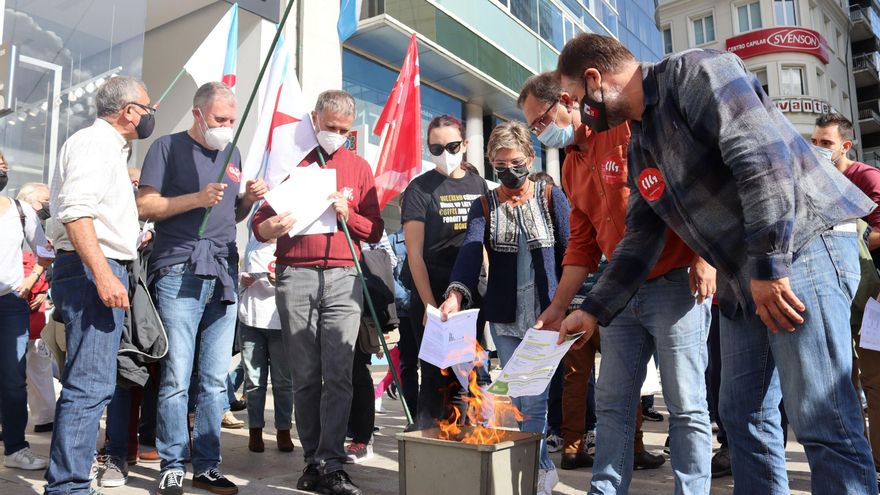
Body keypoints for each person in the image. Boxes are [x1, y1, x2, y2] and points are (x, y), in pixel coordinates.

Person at [555, 33, 877, 494]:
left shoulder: (698, 71)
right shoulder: (642, 144)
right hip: (744, 272)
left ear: (594, 79)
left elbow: (763, 161)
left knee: (822, 418)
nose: (578, 113)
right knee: (742, 417)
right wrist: (593, 308)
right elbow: (639, 239)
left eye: (574, 99)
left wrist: (768, 266)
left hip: (799, 248)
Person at [519, 72, 669, 476]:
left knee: (686, 404)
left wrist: (704, 261)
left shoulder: (622, 132)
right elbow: (582, 245)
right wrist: (557, 306)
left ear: (567, 101)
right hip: (614, 292)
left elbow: (674, 192)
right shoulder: (569, 167)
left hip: (671, 279)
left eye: (540, 121)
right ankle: (604, 480)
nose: (539, 132)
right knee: (613, 399)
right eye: (533, 127)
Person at [137, 81, 266, 495]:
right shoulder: (166, 147)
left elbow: (233, 214)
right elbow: (145, 205)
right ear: (197, 114)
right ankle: (173, 462)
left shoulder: (233, 153)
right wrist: (195, 198)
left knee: (214, 380)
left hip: (224, 270)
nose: (227, 127)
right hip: (179, 269)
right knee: (177, 376)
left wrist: (247, 199)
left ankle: (207, 464)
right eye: (219, 120)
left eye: (232, 120)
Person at [252, 89, 383, 495]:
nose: (337, 135)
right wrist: (268, 229)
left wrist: (352, 217)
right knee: (305, 375)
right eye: (330, 127)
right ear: (314, 120)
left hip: (345, 275)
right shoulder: (290, 164)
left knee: (340, 372)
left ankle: (332, 461)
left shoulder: (359, 167)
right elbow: (260, 222)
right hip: (297, 275)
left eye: (344, 130)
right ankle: (313, 460)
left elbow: (376, 229)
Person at [440, 121, 571, 495]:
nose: (508, 172)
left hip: (548, 314)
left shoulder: (551, 197)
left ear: (530, 158)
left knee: (535, 399)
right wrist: (455, 294)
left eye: (515, 163)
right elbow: (470, 250)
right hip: (506, 318)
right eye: (500, 167)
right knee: (521, 398)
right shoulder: (484, 204)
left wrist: (572, 304)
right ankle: (539, 468)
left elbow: (571, 248)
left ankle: (537, 470)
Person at [44, 76, 151, 494]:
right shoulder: (95, 144)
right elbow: (75, 212)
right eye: (147, 107)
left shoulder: (105, 147)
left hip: (98, 265)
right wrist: (105, 273)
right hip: (94, 269)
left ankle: (69, 483)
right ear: (129, 112)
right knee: (88, 385)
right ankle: (68, 487)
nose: (150, 115)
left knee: (94, 383)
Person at [402, 114, 489, 429]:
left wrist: (486, 288)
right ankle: (430, 443)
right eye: (435, 148)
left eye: (452, 146)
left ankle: (465, 437)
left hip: (470, 296)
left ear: (465, 144)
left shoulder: (479, 184)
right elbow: (414, 253)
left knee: (468, 374)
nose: (445, 153)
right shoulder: (419, 188)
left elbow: (482, 244)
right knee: (436, 377)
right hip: (433, 294)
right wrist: (428, 304)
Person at [812, 112, 880, 487]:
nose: (818, 149)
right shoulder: (815, 180)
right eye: (815, 141)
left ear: (845, 146)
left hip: (872, 297)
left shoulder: (866, 177)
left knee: (875, 383)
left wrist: (844, 233)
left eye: (826, 143)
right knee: (843, 383)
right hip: (835, 294)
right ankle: (858, 462)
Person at [0, 161, 53, 472]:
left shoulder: (21, 211)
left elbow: (46, 250)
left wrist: (32, 279)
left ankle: (16, 448)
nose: (3, 168)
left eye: (4, 163)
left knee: (12, 380)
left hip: (10, 304)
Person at [238, 236, 294, 453]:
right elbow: (239, 274)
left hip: (280, 322)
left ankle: (283, 430)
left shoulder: (291, 244)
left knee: (283, 382)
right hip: (251, 320)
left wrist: (281, 279)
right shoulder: (252, 244)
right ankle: (255, 431)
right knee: (253, 381)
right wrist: (242, 278)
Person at [16, 182, 56, 434]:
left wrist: (45, 292)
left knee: (39, 364)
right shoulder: (10, 225)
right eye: (45, 201)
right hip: (12, 300)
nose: (49, 207)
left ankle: (45, 416)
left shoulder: (43, 231)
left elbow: (50, 264)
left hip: (36, 309)